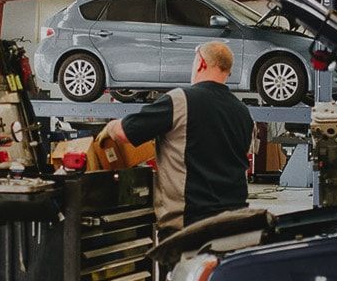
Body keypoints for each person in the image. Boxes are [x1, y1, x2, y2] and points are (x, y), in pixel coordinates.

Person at [104, 41, 256, 234]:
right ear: (228, 70)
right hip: (235, 222)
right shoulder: (243, 112)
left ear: (201, 63)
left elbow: (123, 133)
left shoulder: (180, 100)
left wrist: (110, 127)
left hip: (190, 225)